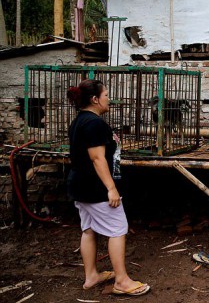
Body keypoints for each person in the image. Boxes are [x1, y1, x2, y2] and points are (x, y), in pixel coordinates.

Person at [67, 79, 150, 296]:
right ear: (95, 99)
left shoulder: (79, 121)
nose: (109, 99)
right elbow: (97, 158)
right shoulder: (94, 124)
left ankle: (91, 276)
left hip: (80, 184)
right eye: (106, 95)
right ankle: (121, 281)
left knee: (88, 230)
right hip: (95, 188)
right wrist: (111, 188)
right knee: (118, 228)